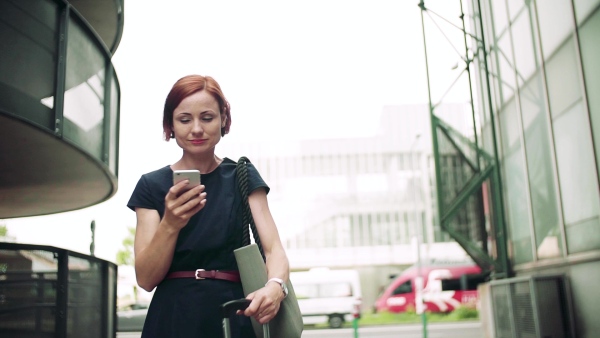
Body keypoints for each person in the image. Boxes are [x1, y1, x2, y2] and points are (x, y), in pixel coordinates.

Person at [127, 74, 290, 337]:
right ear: (170, 124)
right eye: (184, 119)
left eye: (207, 117)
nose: (196, 129)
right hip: (173, 316)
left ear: (223, 119)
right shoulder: (151, 185)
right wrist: (170, 223)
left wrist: (275, 287)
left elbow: (274, 249)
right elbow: (145, 279)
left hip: (234, 311)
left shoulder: (242, 175)